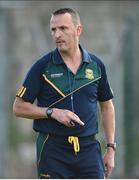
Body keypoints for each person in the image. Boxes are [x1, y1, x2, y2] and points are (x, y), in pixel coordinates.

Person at [13, 8, 116, 179]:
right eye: (53, 30)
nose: (57, 35)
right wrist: (53, 113)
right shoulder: (42, 66)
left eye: (63, 28)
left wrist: (111, 149)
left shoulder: (96, 66)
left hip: (89, 150)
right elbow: (18, 107)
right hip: (53, 151)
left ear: (78, 30)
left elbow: (107, 106)